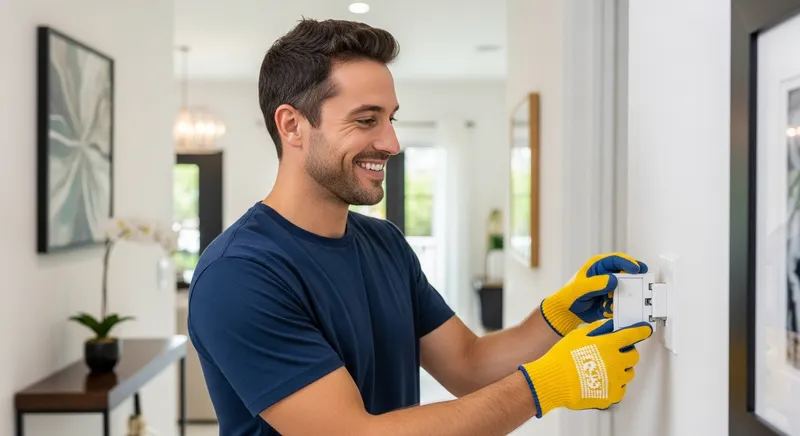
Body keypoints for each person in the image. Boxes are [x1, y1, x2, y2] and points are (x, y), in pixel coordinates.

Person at [186, 18, 654, 436]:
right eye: (366, 120)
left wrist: (557, 316)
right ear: (292, 126)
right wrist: (545, 386)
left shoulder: (383, 243)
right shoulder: (239, 275)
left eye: (390, 119)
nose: (390, 142)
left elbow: (469, 365)